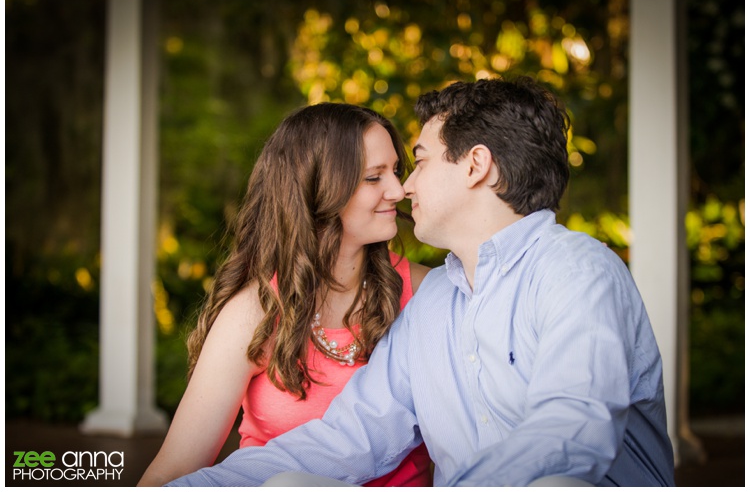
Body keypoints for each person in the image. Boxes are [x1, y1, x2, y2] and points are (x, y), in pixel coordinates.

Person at [166, 77, 675, 487]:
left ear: (476, 165)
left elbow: (571, 432)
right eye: (378, 175)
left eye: (420, 161)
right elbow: (348, 437)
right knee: (291, 486)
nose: (404, 187)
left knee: (556, 488)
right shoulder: (433, 303)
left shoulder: (577, 272)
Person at [138, 103, 432, 486]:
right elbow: (177, 466)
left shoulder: (426, 292)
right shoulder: (256, 311)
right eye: (374, 178)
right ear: (317, 188)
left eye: (395, 171)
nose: (398, 190)